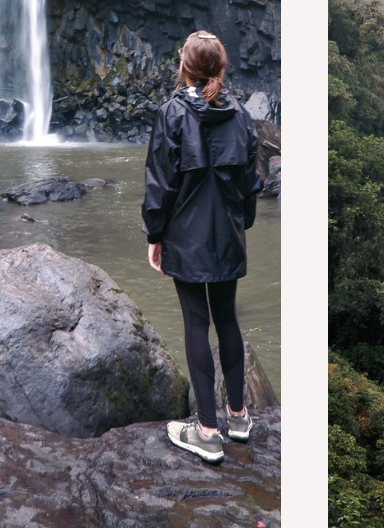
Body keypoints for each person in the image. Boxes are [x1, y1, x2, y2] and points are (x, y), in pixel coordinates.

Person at [142, 30, 262, 464]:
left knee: (197, 322)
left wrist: (154, 235)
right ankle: (238, 417)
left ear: (186, 67)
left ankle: (207, 432)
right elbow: (251, 183)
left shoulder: (172, 113)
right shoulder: (242, 116)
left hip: (186, 238)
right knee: (226, 317)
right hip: (226, 235)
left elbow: (159, 183)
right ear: (220, 67)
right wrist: (240, 224)